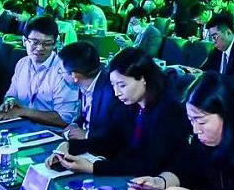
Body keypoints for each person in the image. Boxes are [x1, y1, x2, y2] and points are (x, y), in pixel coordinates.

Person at [56, 47, 190, 176]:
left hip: (154, 182)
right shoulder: (131, 105)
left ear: (143, 79)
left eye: (122, 85)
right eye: (113, 85)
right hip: (127, 175)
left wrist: (93, 167)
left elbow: (148, 164)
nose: (117, 92)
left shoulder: (169, 112)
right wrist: (68, 146)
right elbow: (110, 142)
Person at [0, 15, 79, 128]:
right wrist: (10, 101)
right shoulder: (22, 63)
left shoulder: (64, 71)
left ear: (55, 43)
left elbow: (64, 119)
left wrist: (24, 111)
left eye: (47, 43)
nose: (40, 48)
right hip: (20, 125)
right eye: (34, 42)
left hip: (50, 131)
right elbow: (11, 94)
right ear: (24, 40)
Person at [57, 41, 132, 146]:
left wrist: (87, 135)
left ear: (75, 75)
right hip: (88, 142)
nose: (60, 74)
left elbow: (119, 133)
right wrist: (75, 124)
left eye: (61, 71)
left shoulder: (112, 92)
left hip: (104, 149)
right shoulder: (85, 84)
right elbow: (86, 115)